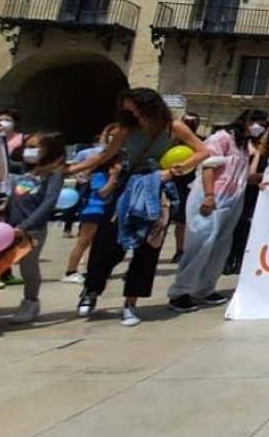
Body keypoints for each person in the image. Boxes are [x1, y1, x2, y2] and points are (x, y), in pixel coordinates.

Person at [66, 89, 210, 327]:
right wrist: (72, 169)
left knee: (148, 249)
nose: (128, 111)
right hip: (127, 188)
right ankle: (92, 289)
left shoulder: (173, 128)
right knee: (107, 243)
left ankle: (130, 303)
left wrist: (176, 169)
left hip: (158, 189)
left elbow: (203, 151)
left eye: (132, 107)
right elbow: (105, 155)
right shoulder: (126, 129)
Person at [0, 131, 67, 335]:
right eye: (28, 146)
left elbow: (48, 203)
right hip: (4, 229)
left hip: (31, 229)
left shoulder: (53, 174)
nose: (30, 151)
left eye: (36, 147)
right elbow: (0, 164)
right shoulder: (21, 171)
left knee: (28, 267)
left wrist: (24, 227)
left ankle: (30, 302)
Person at [168, 112, 253, 312]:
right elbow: (208, 166)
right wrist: (208, 195)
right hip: (212, 196)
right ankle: (180, 292)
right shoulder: (221, 138)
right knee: (201, 243)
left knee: (220, 245)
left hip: (232, 199)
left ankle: (205, 288)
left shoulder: (243, 145)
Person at [62, 124, 120, 283]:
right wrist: (114, 178)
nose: (114, 139)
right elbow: (102, 190)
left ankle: (92, 269)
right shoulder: (101, 159)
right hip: (94, 205)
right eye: (111, 136)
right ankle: (71, 271)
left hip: (103, 205)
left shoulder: (112, 158)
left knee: (97, 241)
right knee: (84, 240)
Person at [225, 109, 269, 275]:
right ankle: (229, 259)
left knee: (246, 227)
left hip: (254, 193)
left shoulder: (267, 145)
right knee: (233, 227)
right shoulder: (239, 141)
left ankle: (240, 260)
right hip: (237, 190)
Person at [170, 112, 202, 263]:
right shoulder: (172, 142)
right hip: (171, 181)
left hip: (189, 184)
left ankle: (180, 250)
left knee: (182, 221)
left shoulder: (200, 143)